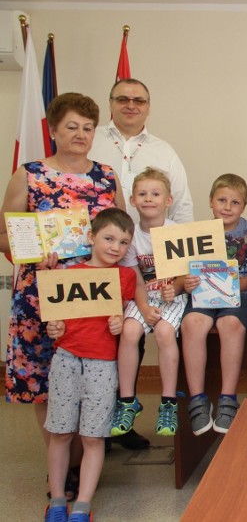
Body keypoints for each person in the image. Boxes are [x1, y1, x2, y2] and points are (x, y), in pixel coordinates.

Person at [1, 92, 122, 502]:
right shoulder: (29, 175)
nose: (80, 134)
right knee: (45, 382)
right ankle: (63, 468)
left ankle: (78, 462)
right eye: (71, 126)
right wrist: (34, 248)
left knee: (88, 376)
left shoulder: (106, 177)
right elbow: (5, 235)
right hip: (41, 294)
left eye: (88, 128)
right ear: (53, 129)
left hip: (91, 296)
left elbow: (121, 230)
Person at [43, 209, 137, 522]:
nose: (116, 247)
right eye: (109, 238)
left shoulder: (125, 276)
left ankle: (82, 504)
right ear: (91, 237)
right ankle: (57, 500)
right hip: (66, 358)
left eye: (124, 242)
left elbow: (126, 318)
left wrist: (119, 324)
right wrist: (54, 329)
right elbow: (56, 321)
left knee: (93, 436)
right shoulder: (68, 273)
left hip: (103, 363)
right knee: (60, 432)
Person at [111, 168, 188, 438]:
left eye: (155, 194)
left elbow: (187, 272)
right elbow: (136, 280)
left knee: (166, 332)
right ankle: (128, 400)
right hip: (145, 296)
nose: (148, 199)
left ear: (168, 200)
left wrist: (175, 287)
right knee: (130, 331)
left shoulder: (178, 231)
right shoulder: (131, 235)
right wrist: (143, 309)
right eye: (142, 194)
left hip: (174, 295)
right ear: (132, 200)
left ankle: (168, 402)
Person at [181, 174, 247, 435]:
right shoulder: (195, 234)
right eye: (222, 200)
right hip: (203, 295)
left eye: (235, 202)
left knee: (230, 324)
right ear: (211, 202)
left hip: (239, 295)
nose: (227, 206)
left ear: (244, 206)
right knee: (191, 323)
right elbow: (183, 273)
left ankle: (228, 398)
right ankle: (198, 399)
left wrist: (231, 284)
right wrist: (188, 282)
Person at [89, 78, 193, 224]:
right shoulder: (89, 139)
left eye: (139, 101)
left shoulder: (164, 151)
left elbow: (181, 206)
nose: (131, 106)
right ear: (110, 104)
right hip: (95, 242)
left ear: (148, 107)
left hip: (150, 244)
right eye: (122, 99)